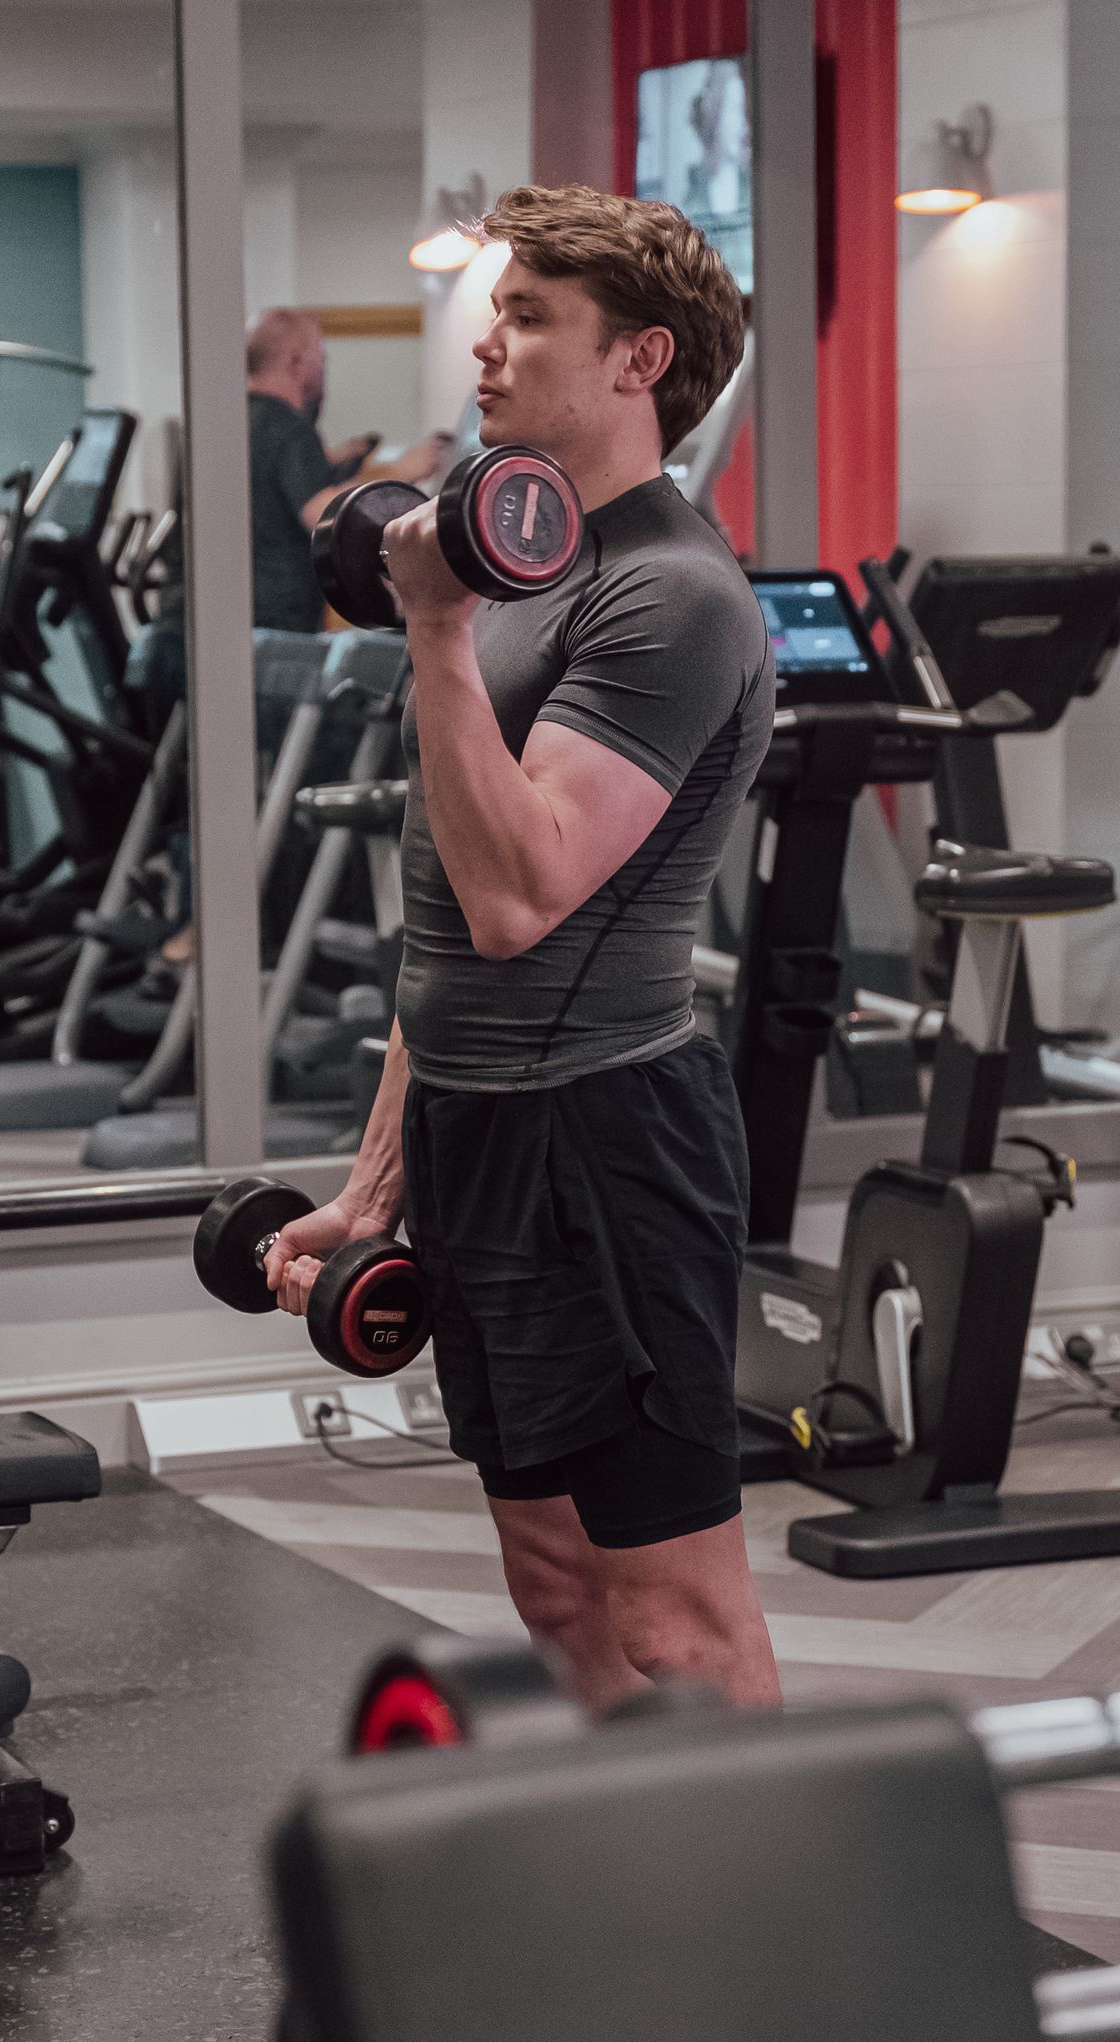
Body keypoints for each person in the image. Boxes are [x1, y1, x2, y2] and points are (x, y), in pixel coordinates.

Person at [268, 187, 780, 1711]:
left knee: (672, 1607)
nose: (484, 344)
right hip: (484, 1130)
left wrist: (429, 628)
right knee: (552, 1577)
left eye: (529, 315)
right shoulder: (532, 572)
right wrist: (376, 1177)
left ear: (643, 360)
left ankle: (788, 1934)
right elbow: (449, 926)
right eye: (496, 310)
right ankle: (642, 1886)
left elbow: (522, 896)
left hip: (608, 1141)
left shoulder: (670, 595)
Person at [247, 306, 448, 635]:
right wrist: (401, 471)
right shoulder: (289, 426)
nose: (323, 368)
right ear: (296, 362)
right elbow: (323, 514)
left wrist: (336, 460)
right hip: (274, 630)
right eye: (321, 358)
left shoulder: (237, 421)